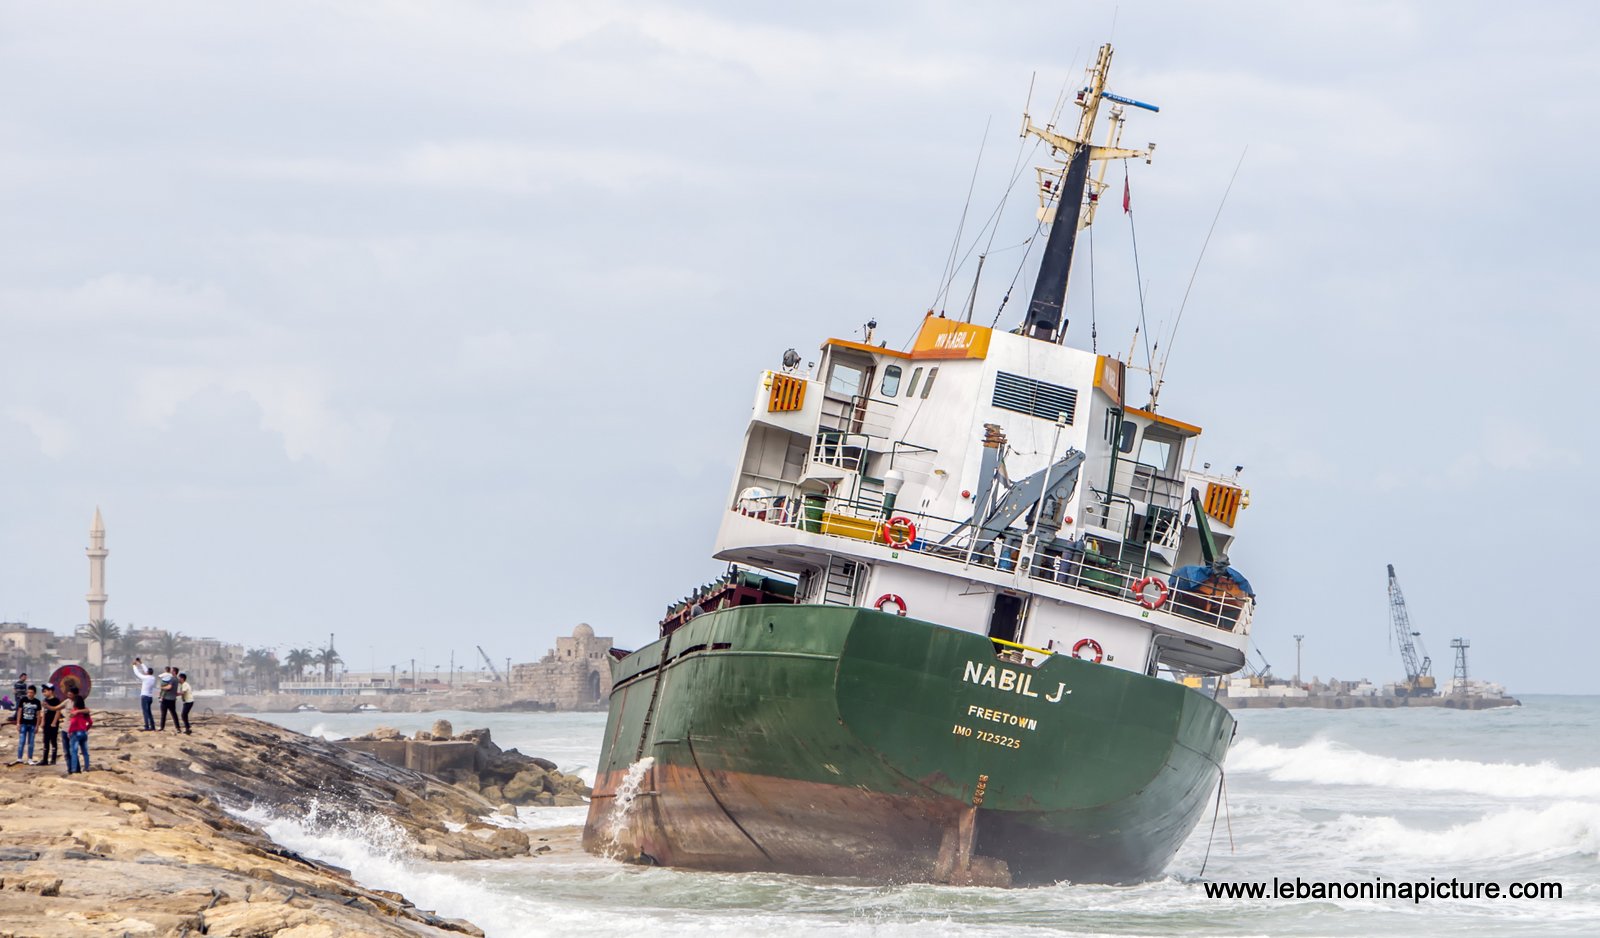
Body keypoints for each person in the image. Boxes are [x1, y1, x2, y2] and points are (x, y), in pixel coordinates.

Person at [13, 686, 41, 765]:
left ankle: (30, 759)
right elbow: (19, 711)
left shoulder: (37, 702)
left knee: (31, 742)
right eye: (28, 692)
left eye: (31, 692)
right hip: (23, 723)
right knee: (22, 741)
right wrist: (18, 723)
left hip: (32, 724)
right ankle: (19, 758)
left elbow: (38, 715)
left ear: (34, 693)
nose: (29, 694)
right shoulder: (23, 700)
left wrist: (37, 726)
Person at [64, 694, 91, 774]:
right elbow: (90, 722)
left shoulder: (74, 711)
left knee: (74, 752)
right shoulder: (85, 711)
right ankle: (87, 767)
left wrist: (69, 732)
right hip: (84, 733)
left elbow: (73, 722)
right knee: (85, 752)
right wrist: (86, 728)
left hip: (75, 733)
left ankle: (74, 769)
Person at [38, 684, 63, 766]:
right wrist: (42, 722)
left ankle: (53, 759)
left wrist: (54, 722)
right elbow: (44, 711)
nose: (44, 693)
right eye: (43, 692)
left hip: (53, 724)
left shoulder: (56, 700)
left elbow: (58, 711)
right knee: (45, 741)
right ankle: (45, 759)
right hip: (47, 723)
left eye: (45, 691)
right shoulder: (45, 700)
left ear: (51, 691)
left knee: (53, 740)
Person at [133, 658, 157, 731]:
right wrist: (141, 663)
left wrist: (134, 665)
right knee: (149, 712)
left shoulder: (145, 678)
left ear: (147, 673)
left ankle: (147, 726)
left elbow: (137, 673)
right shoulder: (153, 678)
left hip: (145, 697)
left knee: (145, 712)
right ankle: (152, 726)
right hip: (150, 697)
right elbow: (146, 670)